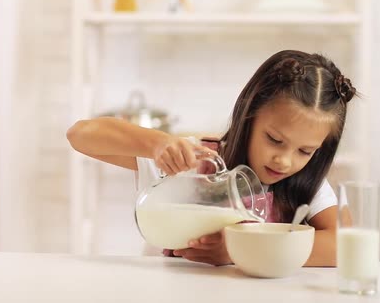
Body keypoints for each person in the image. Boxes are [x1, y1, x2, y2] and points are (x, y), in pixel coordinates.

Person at [67, 50, 357, 267]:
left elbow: (346, 243)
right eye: (274, 140)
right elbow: (80, 135)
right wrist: (156, 143)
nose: (284, 160)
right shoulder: (197, 162)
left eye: (305, 151)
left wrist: (243, 250)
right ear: (249, 115)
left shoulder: (305, 184)